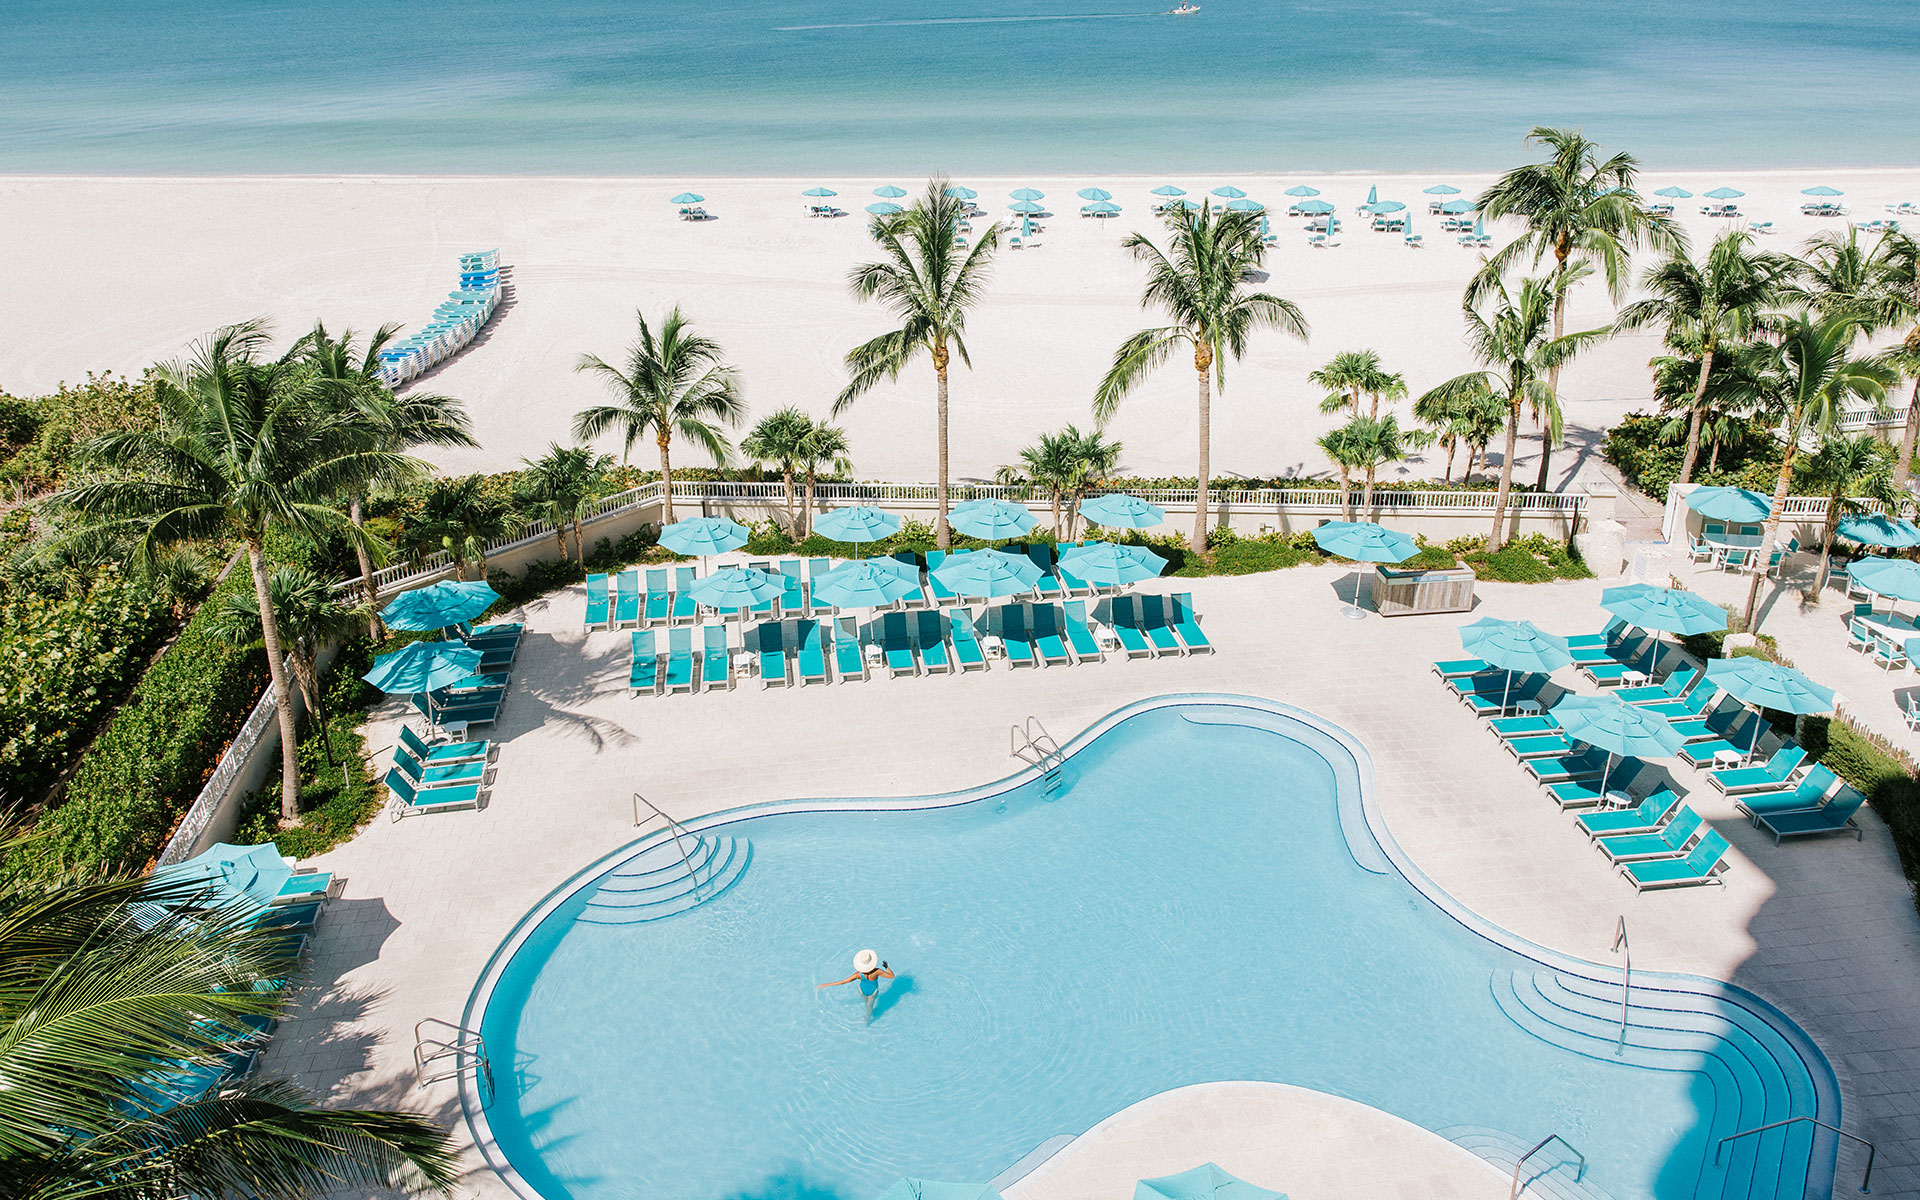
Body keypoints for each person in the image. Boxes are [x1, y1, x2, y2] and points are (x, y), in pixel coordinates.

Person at [819, 948, 893, 1019]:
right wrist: (886, 967)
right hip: (873, 992)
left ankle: (867, 1016)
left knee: (866, 1003)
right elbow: (892, 976)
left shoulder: (857, 974)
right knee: (869, 1007)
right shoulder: (877, 972)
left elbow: (843, 982)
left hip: (862, 991)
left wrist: (825, 985)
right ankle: (868, 1020)